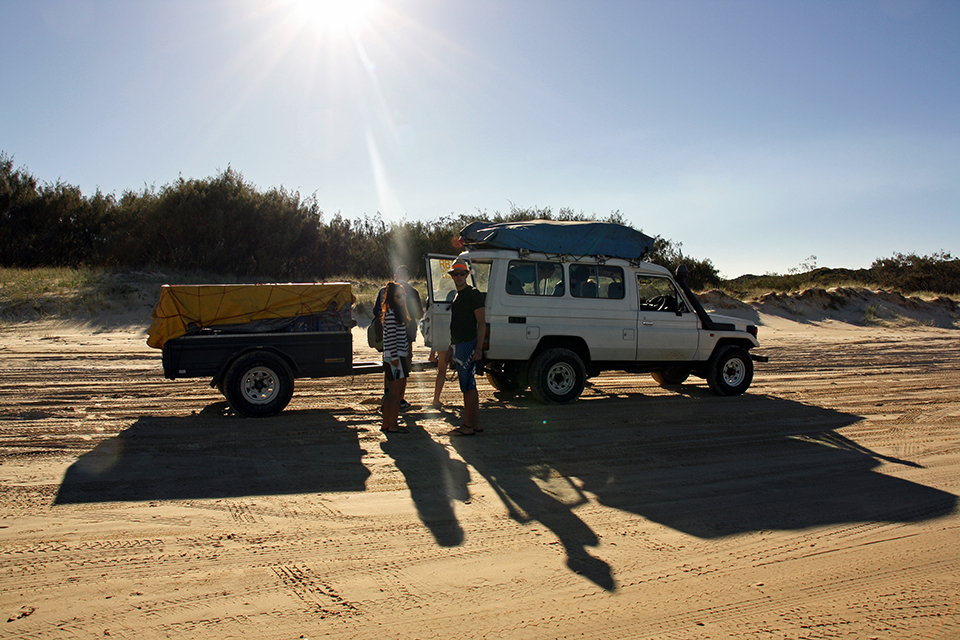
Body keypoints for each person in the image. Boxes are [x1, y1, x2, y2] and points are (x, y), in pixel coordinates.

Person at [445, 259, 486, 436]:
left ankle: (468, 425)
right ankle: (474, 424)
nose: (459, 277)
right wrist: (450, 347)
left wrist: (478, 348)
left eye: (462, 273)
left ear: (467, 275)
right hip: (459, 345)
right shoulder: (457, 296)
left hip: (468, 345)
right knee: (469, 385)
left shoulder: (473, 294)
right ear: (452, 276)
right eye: (456, 274)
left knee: (467, 386)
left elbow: (482, 323)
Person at [375, 265, 423, 410]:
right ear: (408, 277)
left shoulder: (385, 290)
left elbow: (375, 311)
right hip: (405, 337)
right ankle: (398, 400)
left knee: (389, 367)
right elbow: (419, 314)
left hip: (387, 336)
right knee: (403, 369)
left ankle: (387, 396)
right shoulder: (412, 292)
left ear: (395, 276)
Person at [380, 281, 412, 434]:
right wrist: (394, 358)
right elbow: (391, 338)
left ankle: (387, 422)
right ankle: (392, 423)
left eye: (403, 295)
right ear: (392, 298)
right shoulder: (392, 313)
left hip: (397, 356)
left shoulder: (395, 312)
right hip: (395, 357)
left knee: (393, 393)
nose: (402, 298)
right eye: (398, 296)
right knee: (395, 393)